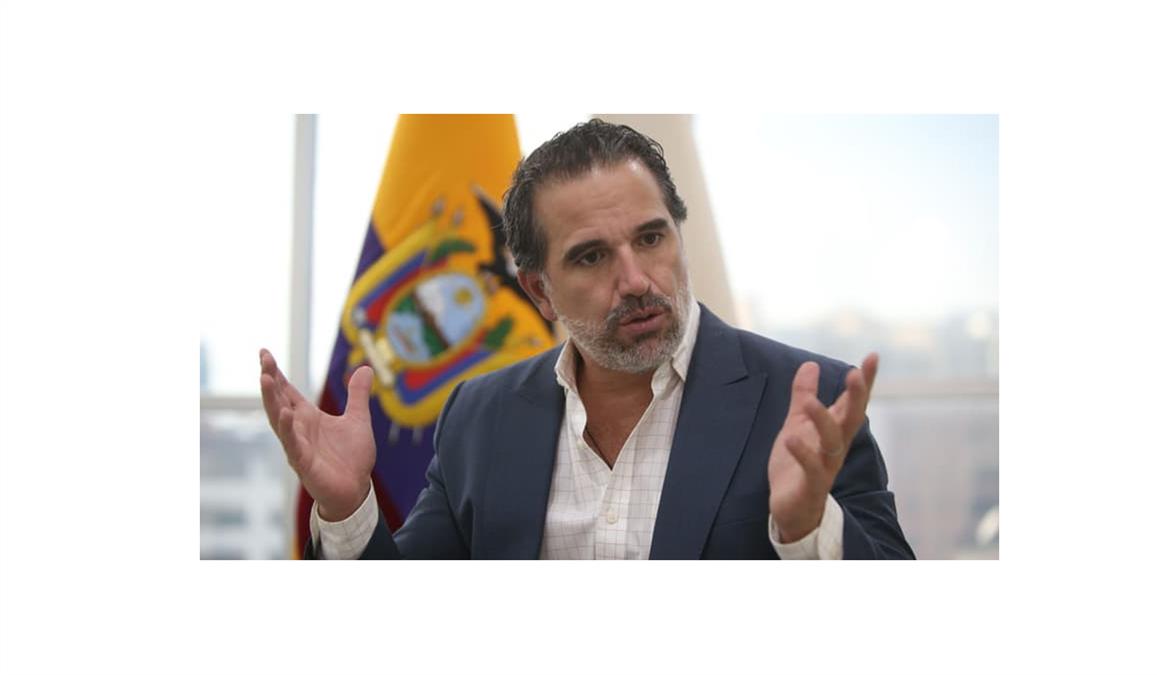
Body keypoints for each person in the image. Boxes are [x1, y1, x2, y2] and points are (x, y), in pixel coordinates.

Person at [259, 119, 914, 559]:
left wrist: (807, 529)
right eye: (592, 256)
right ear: (539, 291)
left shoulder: (810, 402)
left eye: (651, 238)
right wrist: (348, 507)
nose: (636, 280)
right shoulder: (480, 416)